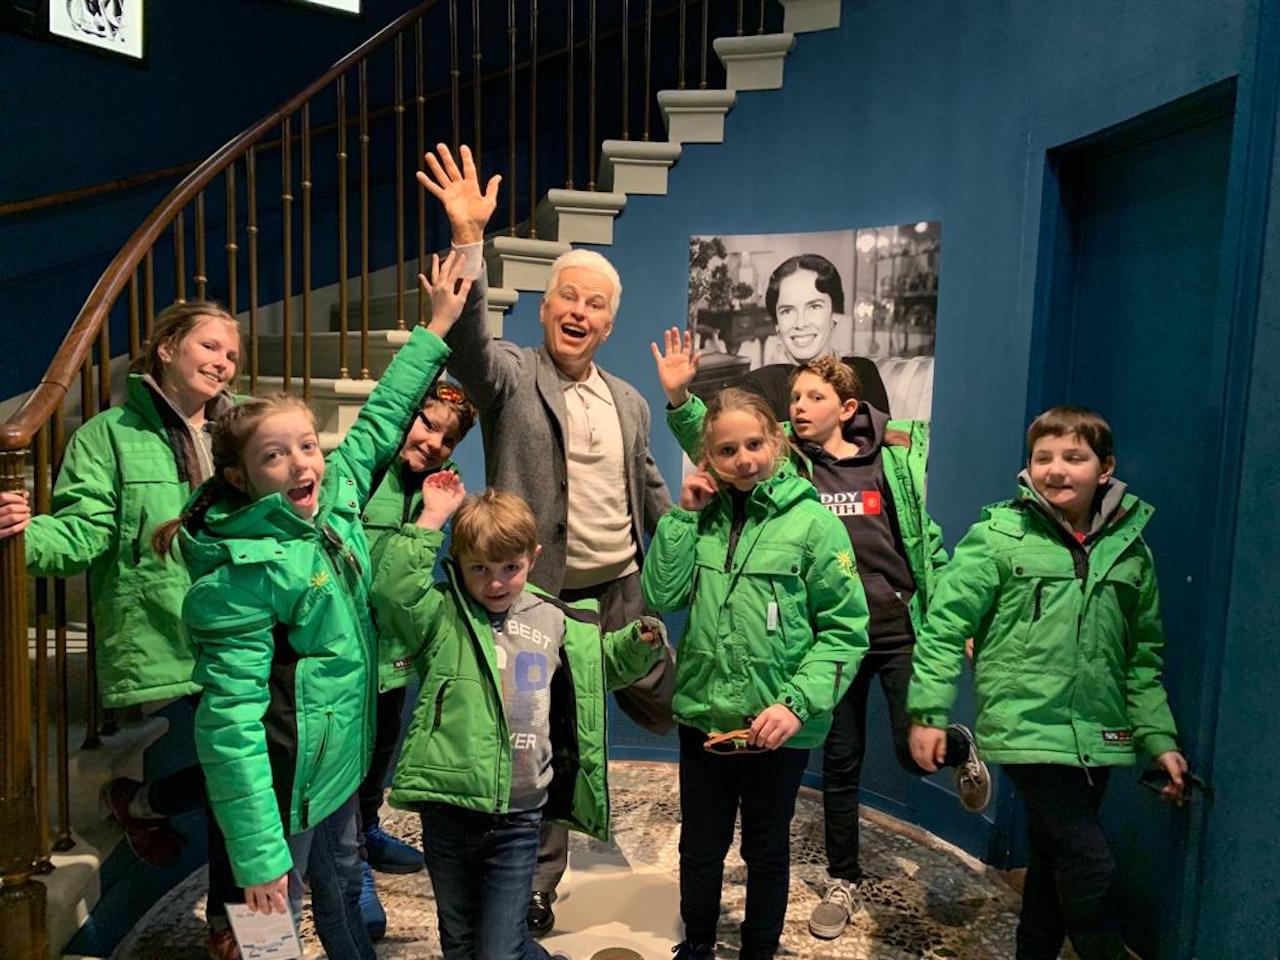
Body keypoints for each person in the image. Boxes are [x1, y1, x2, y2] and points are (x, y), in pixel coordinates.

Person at [150, 251, 471, 960]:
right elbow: (230, 728)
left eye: (306, 445)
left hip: (333, 770)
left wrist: (437, 327)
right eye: (275, 455)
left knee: (344, 885)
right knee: (268, 927)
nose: (302, 463)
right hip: (280, 788)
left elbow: (381, 420)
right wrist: (258, 853)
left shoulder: (333, 503)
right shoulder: (240, 576)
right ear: (240, 477)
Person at [415, 142, 675, 935]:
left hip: (621, 589)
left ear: (608, 322)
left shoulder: (630, 400)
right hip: (541, 599)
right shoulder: (509, 376)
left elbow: (648, 488)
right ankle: (537, 881)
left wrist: (688, 542)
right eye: (567, 296)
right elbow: (465, 345)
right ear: (545, 306)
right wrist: (469, 238)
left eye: (594, 303)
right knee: (547, 736)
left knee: (675, 700)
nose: (579, 311)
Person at [651, 334, 991, 940]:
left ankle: (957, 747)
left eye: (815, 397)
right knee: (839, 760)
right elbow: (723, 439)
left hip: (890, 627)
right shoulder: (789, 460)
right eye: (796, 398)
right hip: (815, 647)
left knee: (911, 745)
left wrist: (949, 612)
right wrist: (680, 399)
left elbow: (924, 540)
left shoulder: (894, 460)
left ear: (848, 407)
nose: (801, 407)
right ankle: (843, 877)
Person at [0, 300, 245, 954]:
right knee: (245, 782)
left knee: (255, 775)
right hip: (169, 637)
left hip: (246, 631)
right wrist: (22, 534)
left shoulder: (243, 426)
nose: (224, 362)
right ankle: (241, 929)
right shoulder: (106, 435)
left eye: (232, 354)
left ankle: (143, 806)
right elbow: (82, 535)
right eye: (210, 346)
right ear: (165, 346)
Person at [907, 405, 1189, 960]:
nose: (1056, 469)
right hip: (1027, 725)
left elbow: (1142, 658)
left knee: (1050, 867)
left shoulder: (1132, 550)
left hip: (1100, 733)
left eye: (1074, 457)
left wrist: (1159, 739)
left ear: (1105, 468)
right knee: (1091, 866)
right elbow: (943, 628)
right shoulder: (998, 536)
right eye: (1043, 457)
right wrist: (928, 713)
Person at [371, 480, 666, 960]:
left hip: (519, 816)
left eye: (510, 567)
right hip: (448, 811)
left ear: (533, 557)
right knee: (460, 941)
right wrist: (430, 520)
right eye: (479, 569)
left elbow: (596, 669)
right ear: (458, 562)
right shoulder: (442, 614)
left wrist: (636, 646)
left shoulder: (554, 618)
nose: (495, 583)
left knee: (501, 948)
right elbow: (393, 594)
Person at [641, 385, 870, 960]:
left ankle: (759, 950)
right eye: (726, 450)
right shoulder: (702, 519)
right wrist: (682, 516)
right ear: (709, 457)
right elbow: (662, 593)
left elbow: (846, 631)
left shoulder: (814, 525)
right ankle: (697, 943)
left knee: (766, 850)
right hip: (705, 718)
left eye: (753, 445)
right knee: (700, 846)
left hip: (774, 727)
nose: (743, 460)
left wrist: (796, 704)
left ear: (776, 442)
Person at [355, 378, 478, 938]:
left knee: (382, 747)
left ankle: (366, 829)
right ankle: (351, 862)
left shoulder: (440, 490)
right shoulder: (363, 473)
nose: (433, 443)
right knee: (347, 760)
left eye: (448, 439)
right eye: (427, 424)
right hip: (349, 646)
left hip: (394, 649)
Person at [730, 253, 892, 420]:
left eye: (814, 306)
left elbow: (884, 434)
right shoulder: (759, 385)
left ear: (835, 314)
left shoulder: (862, 372)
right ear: (777, 324)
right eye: (787, 310)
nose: (801, 323)